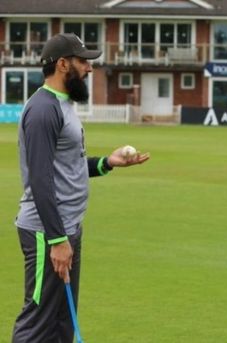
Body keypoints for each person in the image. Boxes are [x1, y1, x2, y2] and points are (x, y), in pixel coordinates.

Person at [12, 33, 150, 342]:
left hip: (67, 226)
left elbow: (69, 168)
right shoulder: (43, 110)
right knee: (38, 321)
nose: (90, 68)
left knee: (62, 320)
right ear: (63, 64)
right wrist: (57, 240)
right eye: (83, 61)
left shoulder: (64, 105)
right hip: (46, 232)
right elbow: (41, 179)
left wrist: (108, 163)